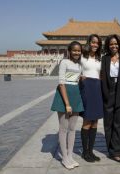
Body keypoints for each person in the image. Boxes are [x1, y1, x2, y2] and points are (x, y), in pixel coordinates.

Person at [50, 41, 84, 170]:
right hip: (64, 96)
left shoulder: (79, 65)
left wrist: (82, 77)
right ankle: (64, 157)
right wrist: (67, 104)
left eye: (79, 50)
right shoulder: (64, 62)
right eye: (74, 50)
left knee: (72, 128)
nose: (76, 52)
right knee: (63, 128)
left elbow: (75, 78)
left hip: (76, 94)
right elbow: (61, 83)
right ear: (69, 51)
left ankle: (70, 155)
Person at [101, 34, 120, 163]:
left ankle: (119, 151)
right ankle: (111, 150)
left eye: (116, 43)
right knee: (108, 121)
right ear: (108, 45)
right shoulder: (105, 58)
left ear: (119, 44)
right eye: (111, 44)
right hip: (108, 89)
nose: (114, 46)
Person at [79, 34, 103, 162]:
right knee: (87, 120)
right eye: (93, 42)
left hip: (97, 88)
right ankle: (85, 152)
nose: (95, 45)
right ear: (89, 43)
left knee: (95, 122)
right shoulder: (82, 57)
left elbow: (101, 74)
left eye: (97, 43)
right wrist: (79, 76)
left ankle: (91, 151)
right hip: (86, 88)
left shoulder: (100, 58)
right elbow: (75, 70)